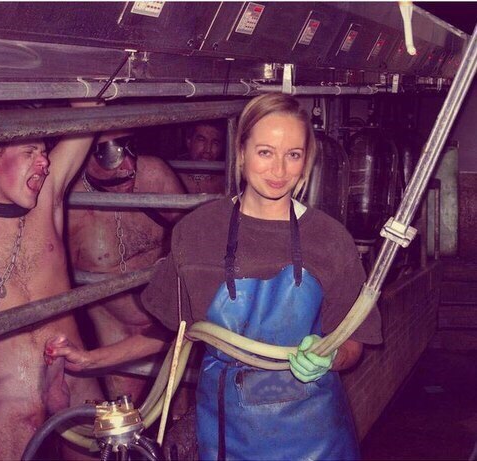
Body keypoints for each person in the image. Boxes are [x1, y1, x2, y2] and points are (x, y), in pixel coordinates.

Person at [45, 93, 382, 460]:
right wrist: (92, 360)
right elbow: (175, 333)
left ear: (307, 160)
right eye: (265, 152)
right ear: (241, 152)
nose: (279, 170)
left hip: (315, 438)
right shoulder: (198, 232)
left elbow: (354, 343)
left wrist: (330, 358)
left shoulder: (329, 238)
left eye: (293, 155)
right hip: (229, 434)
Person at [0, 103, 104, 460]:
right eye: (30, 152)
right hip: (10, 405)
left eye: (44, 153)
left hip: (76, 380)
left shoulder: (46, 200)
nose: (44, 162)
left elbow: (90, 110)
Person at [66, 129, 185, 403]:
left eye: (131, 149)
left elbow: (190, 230)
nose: (129, 166)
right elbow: (57, 282)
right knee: (123, 414)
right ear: (85, 155)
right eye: (112, 155)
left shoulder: (153, 174)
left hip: (173, 324)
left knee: (181, 409)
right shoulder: (71, 205)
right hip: (117, 332)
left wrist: (171, 261)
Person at [178, 121, 226, 194]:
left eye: (215, 143)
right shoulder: (174, 178)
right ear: (189, 141)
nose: (208, 150)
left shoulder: (227, 183)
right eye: (201, 140)